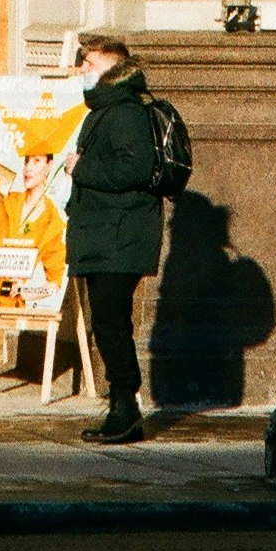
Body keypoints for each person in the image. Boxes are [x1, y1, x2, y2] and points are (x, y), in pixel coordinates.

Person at [62, 31, 162, 444]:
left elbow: (135, 172)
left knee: (109, 322)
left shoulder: (124, 113)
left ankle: (125, 407)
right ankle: (123, 406)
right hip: (107, 232)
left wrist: (80, 168)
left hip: (120, 235)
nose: (83, 70)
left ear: (113, 69)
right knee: (109, 321)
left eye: (90, 64)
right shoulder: (105, 110)